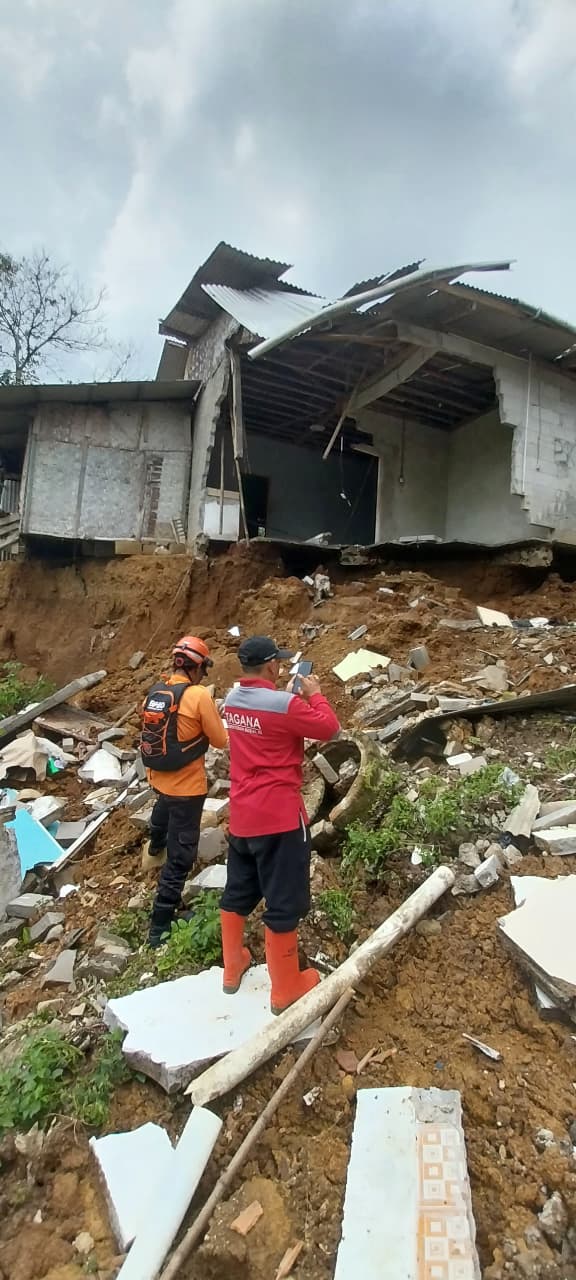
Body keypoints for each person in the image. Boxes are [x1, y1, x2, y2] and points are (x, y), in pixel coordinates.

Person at [220, 636, 340, 1014]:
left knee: (238, 890)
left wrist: (288, 700)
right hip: (280, 819)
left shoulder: (232, 700)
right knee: (284, 901)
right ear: (272, 665)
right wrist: (314, 696)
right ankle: (286, 988)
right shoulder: (285, 705)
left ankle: (232, 967)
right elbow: (330, 728)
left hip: (242, 817)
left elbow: (263, 718)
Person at [140, 635, 228, 947]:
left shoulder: (157, 692)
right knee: (180, 858)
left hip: (159, 778)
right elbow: (220, 741)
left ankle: (155, 845)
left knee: (163, 809)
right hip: (187, 789)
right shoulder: (199, 695)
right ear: (197, 667)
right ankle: (160, 927)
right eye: (204, 669)